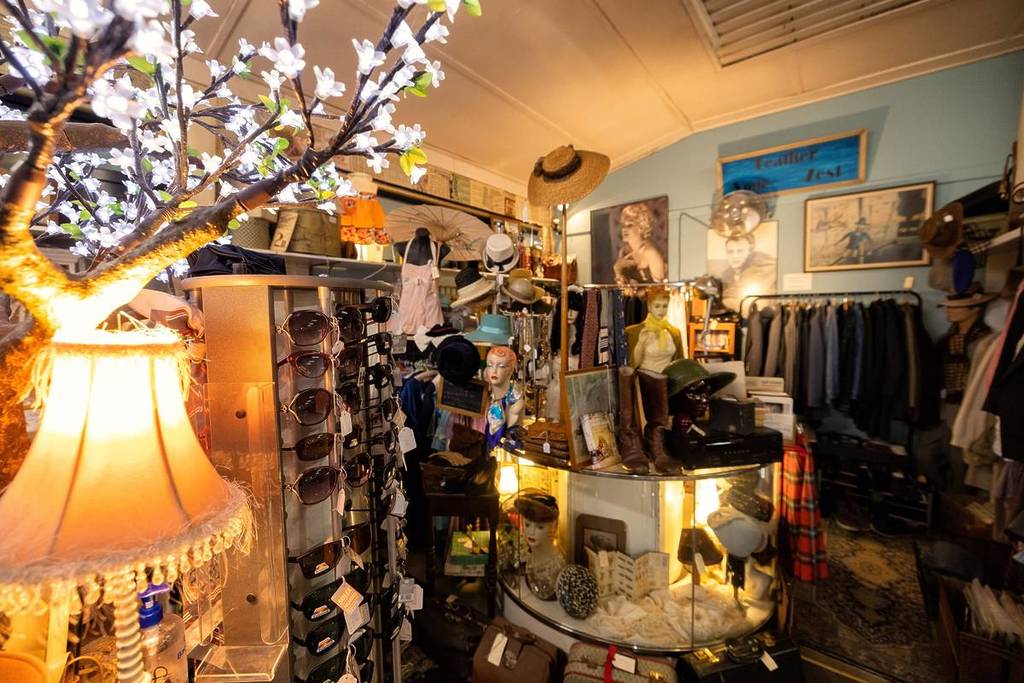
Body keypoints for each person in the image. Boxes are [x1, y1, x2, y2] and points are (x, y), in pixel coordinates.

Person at [713, 232, 776, 311]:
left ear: (750, 252)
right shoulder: (726, 276)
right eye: (730, 252)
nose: (735, 256)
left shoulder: (763, 269)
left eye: (740, 251)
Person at [613, 203, 666, 284]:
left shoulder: (651, 253)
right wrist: (617, 270)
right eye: (623, 225)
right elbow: (621, 287)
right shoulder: (624, 251)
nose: (624, 230)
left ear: (641, 227)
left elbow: (660, 291)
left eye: (630, 225)